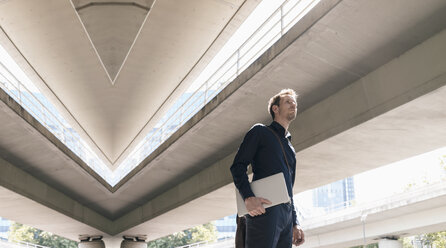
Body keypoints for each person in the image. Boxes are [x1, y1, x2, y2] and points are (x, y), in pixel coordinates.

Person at [230, 89, 305, 248]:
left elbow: (289, 188)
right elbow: (237, 166)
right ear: (275, 109)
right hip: (264, 210)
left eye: (295, 102)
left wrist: (294, 222)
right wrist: (248, 197)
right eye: (288, 101)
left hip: (286, 215)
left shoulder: (290, 147)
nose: (293, 104)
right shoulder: (260, 132)